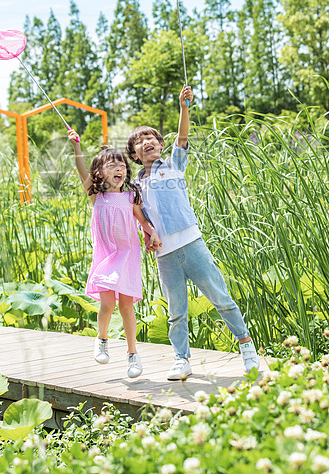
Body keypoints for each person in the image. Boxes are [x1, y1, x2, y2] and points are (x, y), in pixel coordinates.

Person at [125, 85, 260, 381]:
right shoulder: (134, 185)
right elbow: (140, 218)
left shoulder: (173, 164)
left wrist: (184, 107)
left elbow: (182, 137)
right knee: (176, 311)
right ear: (134, 155)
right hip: (165, 255)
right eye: (140, 141)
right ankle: (181, 359)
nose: (148, 142)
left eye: (152, 138)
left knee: (220, 297)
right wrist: (147, 233)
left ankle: (247, 348)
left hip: (191, 244)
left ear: (161, 145)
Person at [68, 129, 162, 379]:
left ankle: (133, 354)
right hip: (107, 255)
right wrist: (77, 146)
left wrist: (152, 233)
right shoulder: (95, 194)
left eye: (122, 164)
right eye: (112, 164)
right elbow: (80, 168)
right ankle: (102, 339)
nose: (119, 168)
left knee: (126, 306)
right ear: (99, 173)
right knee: (107, 304)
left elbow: (143, 221)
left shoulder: (131, 195)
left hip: (128, 255)